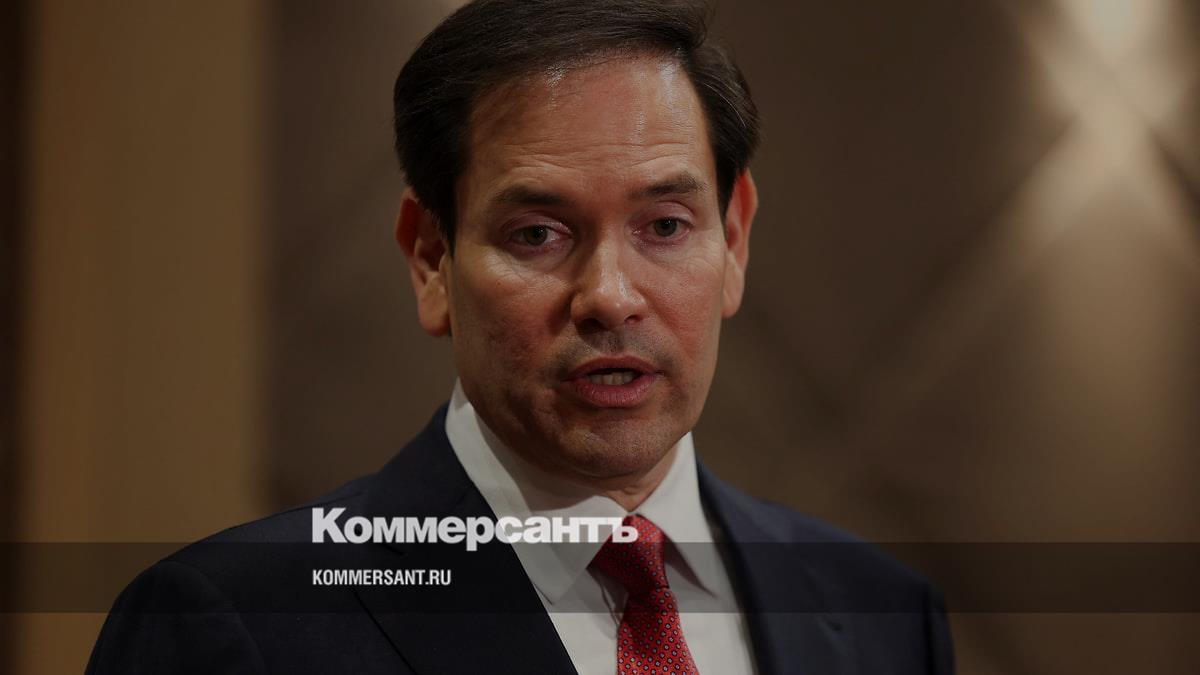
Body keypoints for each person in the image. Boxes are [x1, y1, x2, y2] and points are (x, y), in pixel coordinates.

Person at [87, 1, 954, 673]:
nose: (610, 297)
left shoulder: (884, 616)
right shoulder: (235, 623)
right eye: (537, 234)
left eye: (664, 225)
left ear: (734, 239)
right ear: (431, 258)